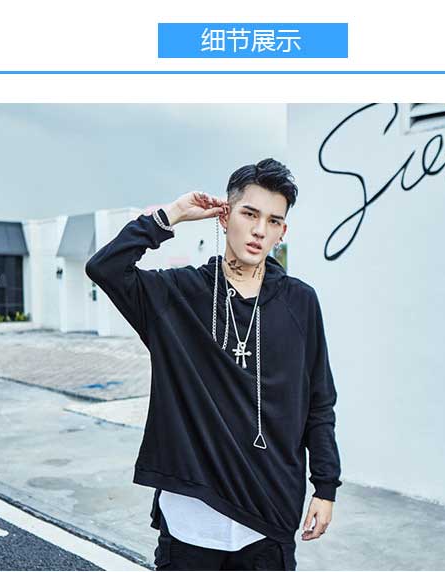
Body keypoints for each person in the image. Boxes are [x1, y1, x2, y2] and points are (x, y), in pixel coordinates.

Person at [85, 158, 341, 570]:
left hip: (269, 518)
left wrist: (326, 487)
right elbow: (105, 267)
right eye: (249, 214)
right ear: (225, 216)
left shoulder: (300, 302)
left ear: (283, 231)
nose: (259, 230)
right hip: (191, 521)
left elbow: (319, 401)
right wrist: (171, 215)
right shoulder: (177, 295)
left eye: (273, 221)